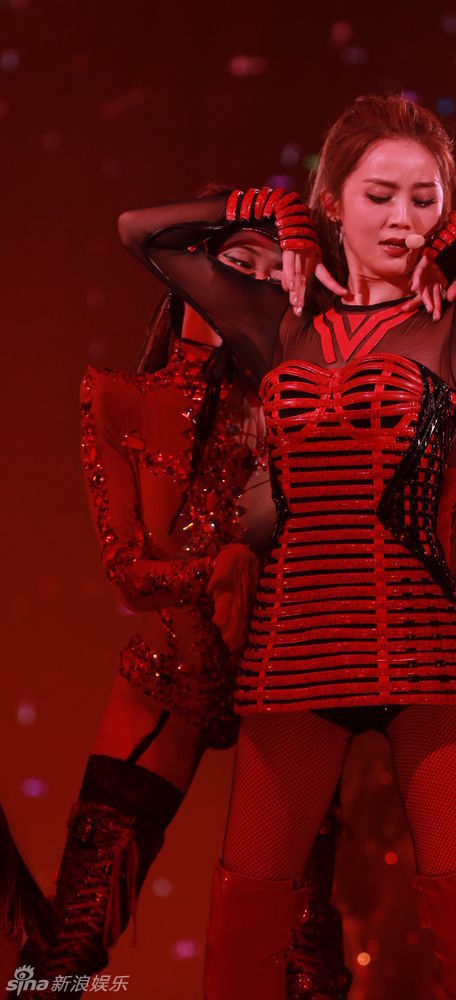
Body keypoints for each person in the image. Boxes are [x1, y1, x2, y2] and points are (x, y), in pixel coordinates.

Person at [117, 93, 456, 999]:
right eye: (380, 195)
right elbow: (140, 233)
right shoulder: (282, 322)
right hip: (296, 656)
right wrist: (268, 211)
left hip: (424, 657)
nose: (402, 219)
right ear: (333, 204)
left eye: (423, 198)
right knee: (242, 938)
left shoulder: (455, 323)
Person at [17, 214, 351, 1000]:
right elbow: (128, 575)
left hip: (286, 678)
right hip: (170, 671)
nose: (252, 283)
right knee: (74, 940)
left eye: (273, 273)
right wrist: (217, 569)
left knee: (304, 957)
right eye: (236, 261)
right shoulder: (121, 398)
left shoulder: (302, 410)